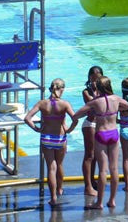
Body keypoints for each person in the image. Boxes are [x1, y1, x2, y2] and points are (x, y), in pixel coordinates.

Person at [72, 76, 128, 209]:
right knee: (114, 168)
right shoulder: (116, 99)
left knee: (103, 170)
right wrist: (115, 110)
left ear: (98, 87)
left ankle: (99, 203)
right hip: (114, 134)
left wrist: (93, 112)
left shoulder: (96, 102)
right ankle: (112, 200)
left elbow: (77, 114)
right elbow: (127, 105)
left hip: (101, 134)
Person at [24, 78, 77, 206]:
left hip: (46, 137)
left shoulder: (42, 103)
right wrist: (68, 129)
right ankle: (59, 189)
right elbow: (75, 119)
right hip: (60, 138)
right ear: (62, 89)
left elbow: (27, 118)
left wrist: (37, 129)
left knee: (51, 168)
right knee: (59, 165)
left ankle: (53, 197)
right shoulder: (65, 104)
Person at [81, 66, 103, 197]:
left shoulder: (104, 90)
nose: (95, 80)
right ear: (89, 78)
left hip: (100, 124)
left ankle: (92, 180)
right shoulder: (86, 91)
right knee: (89, 155)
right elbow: (94, 103)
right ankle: (87, 185)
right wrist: (96, 90)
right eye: (93, 78)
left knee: (95, 156)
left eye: (98, 78)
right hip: (90, 124)